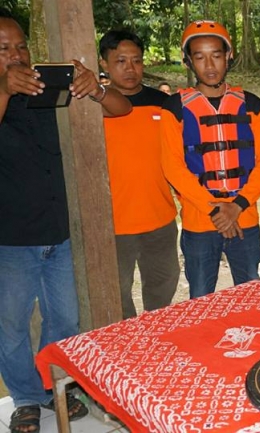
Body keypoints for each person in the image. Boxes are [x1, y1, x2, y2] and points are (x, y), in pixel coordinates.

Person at [0, 10, 131, 432]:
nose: (16, 55)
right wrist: (3, 88)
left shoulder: (43, 84)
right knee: (12, 325)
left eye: (21, 46)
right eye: (3, 49)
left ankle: (51, 389)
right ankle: (24, 398)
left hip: (60, 231)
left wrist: (97, 87)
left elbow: (121, 109)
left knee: (66, 320)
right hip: (10, 237)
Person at [160, 20, 260, 299]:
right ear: (188, 61)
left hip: (244, 217)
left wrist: (236, 206)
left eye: (217, 55)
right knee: (200, 297)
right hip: (199, 221)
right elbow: (173, 167)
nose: (209, 65)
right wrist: (215, 211)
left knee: (251, 294)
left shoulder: (252, 105)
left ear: (229, 57)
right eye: (199, 57)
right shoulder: (174, 109)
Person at [99, 30, 180, 319]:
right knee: (116, 293)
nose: (130, 68)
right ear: (104, 63)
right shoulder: (93, 107)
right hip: (113, 224)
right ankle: (128, 344)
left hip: (159, 218)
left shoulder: (164, 103)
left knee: (163, 287)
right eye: (120, 61)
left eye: (136, 60)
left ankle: (155, 339)